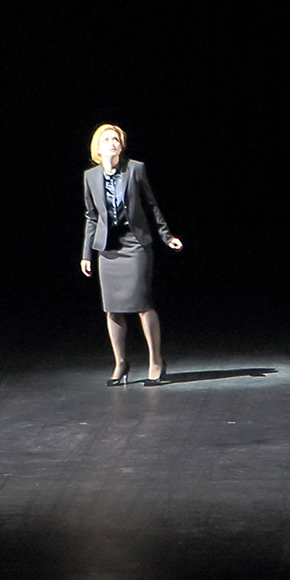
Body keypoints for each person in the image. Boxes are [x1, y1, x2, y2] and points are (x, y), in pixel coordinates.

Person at [81, 122, 185, 384]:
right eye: (107, 140)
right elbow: (91, 217)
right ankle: (121, 363)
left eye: (116, 139)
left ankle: (156, 361)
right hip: (109, 249)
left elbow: (151, 204)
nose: (112, 143)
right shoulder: (90, 177)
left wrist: (167, 236)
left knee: (142, 303)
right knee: (112, 309)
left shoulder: (135, 169)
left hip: (135, 244)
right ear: (98, 148)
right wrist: (86, 253)